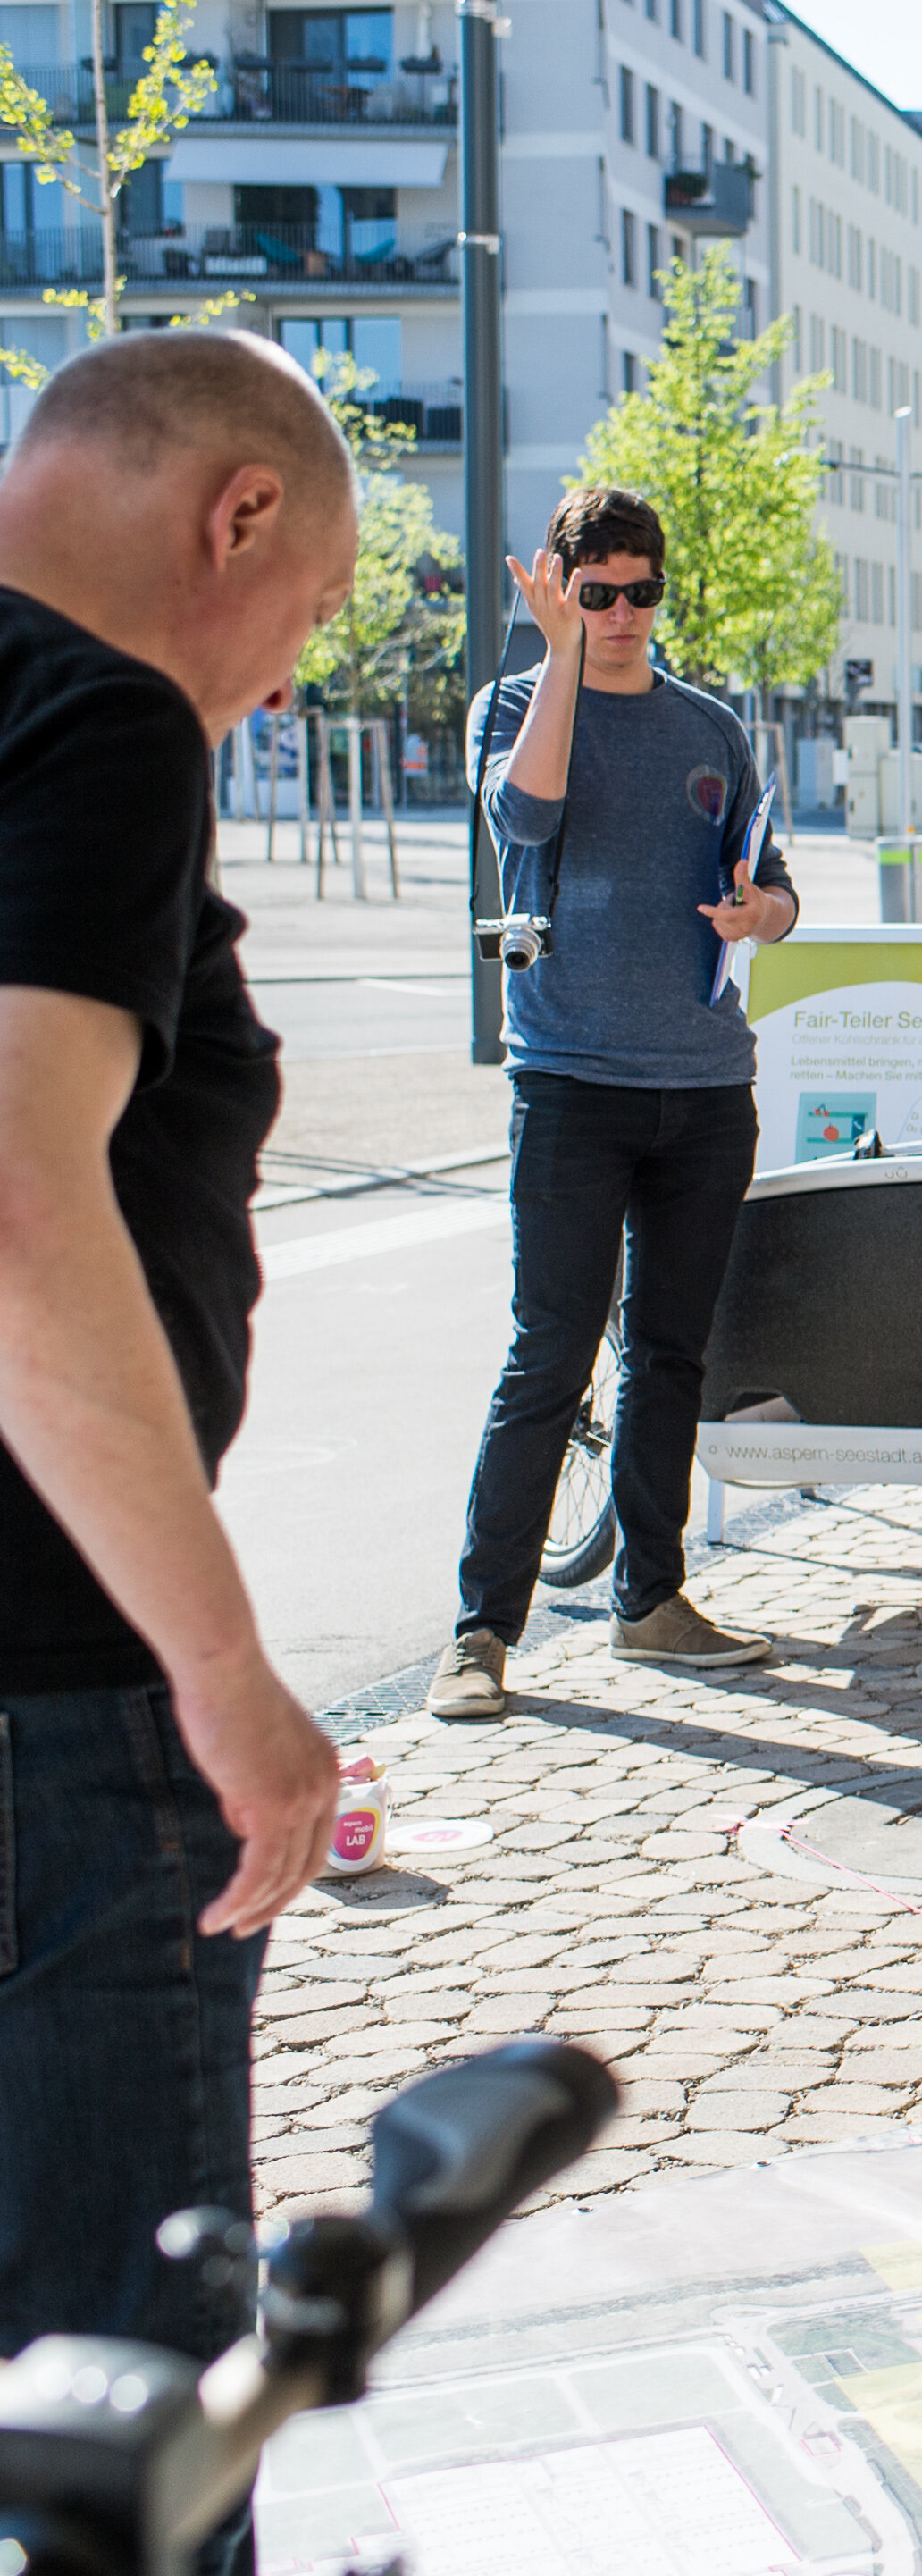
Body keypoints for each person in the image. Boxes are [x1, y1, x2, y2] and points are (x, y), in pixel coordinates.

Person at [0, 328, 356, 2571]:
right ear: (232, 517)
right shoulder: (94, 712)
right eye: (309, 615)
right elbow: (22, 1210)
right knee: (130, 2401)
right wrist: (224, 1680)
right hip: (52, 1690)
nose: (282, 682)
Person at [430, 486, 799, 1720]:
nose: (625, 613)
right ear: (559, 587)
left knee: (669, 1355)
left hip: (704, 1087)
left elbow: (778, 886)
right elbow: (522, 820)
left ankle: (652, 1601)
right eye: (600, 594)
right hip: (573, 1083)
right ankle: (482, 1631)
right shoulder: (517, 707)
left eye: (643, 592)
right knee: (548, 1352)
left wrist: (762, 916)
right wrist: (557, 662)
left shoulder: (711, 724)